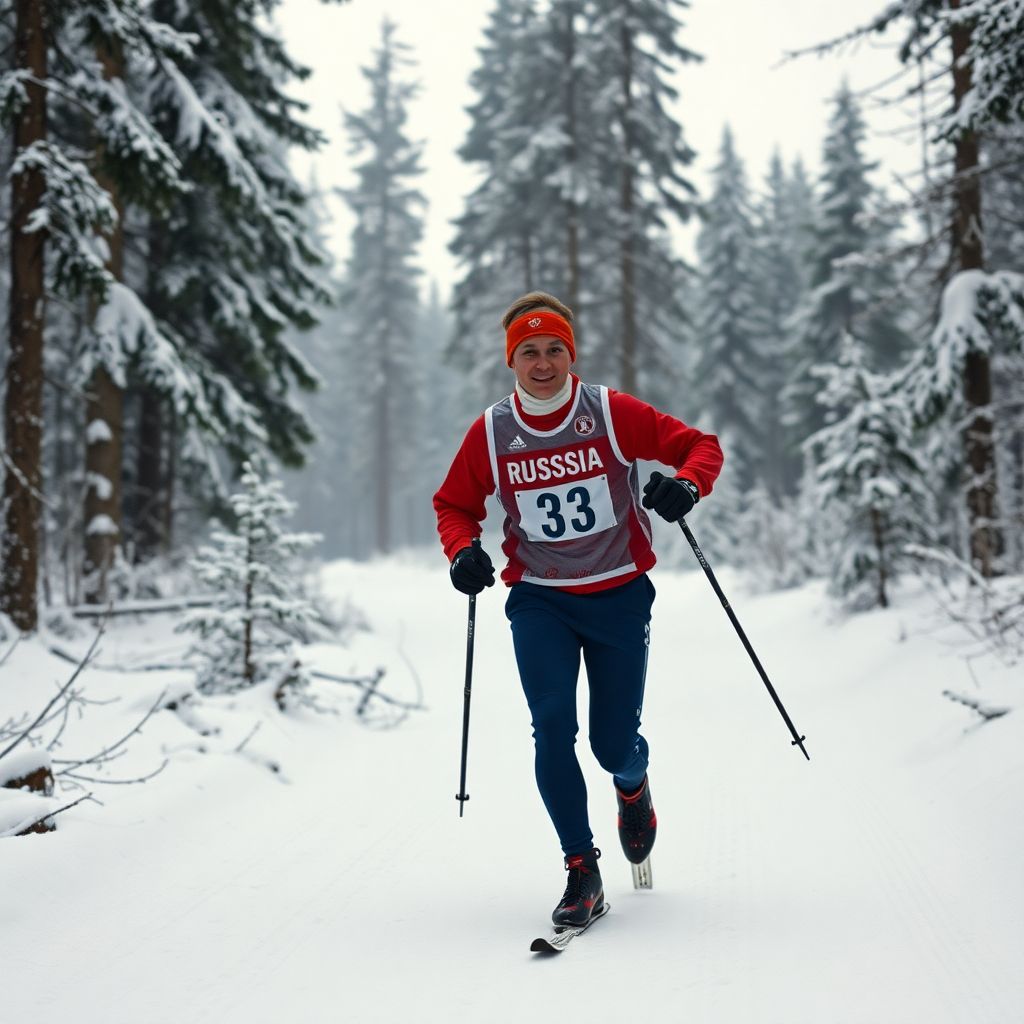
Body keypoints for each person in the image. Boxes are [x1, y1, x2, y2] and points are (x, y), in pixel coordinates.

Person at [433, 291, 723, 928]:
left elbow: (701, 447)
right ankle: (581, 869)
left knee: (612, 743)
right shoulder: (492, 433)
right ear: (511, 361)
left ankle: (632, 784)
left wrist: (686, 485)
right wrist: (462, 552)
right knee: (551, 729)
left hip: (618, 595)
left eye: (554, 350)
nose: (542, 364)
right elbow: (454, 504)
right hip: (541, 600)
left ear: (571, 354)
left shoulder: (609, 413)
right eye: (529, 352)